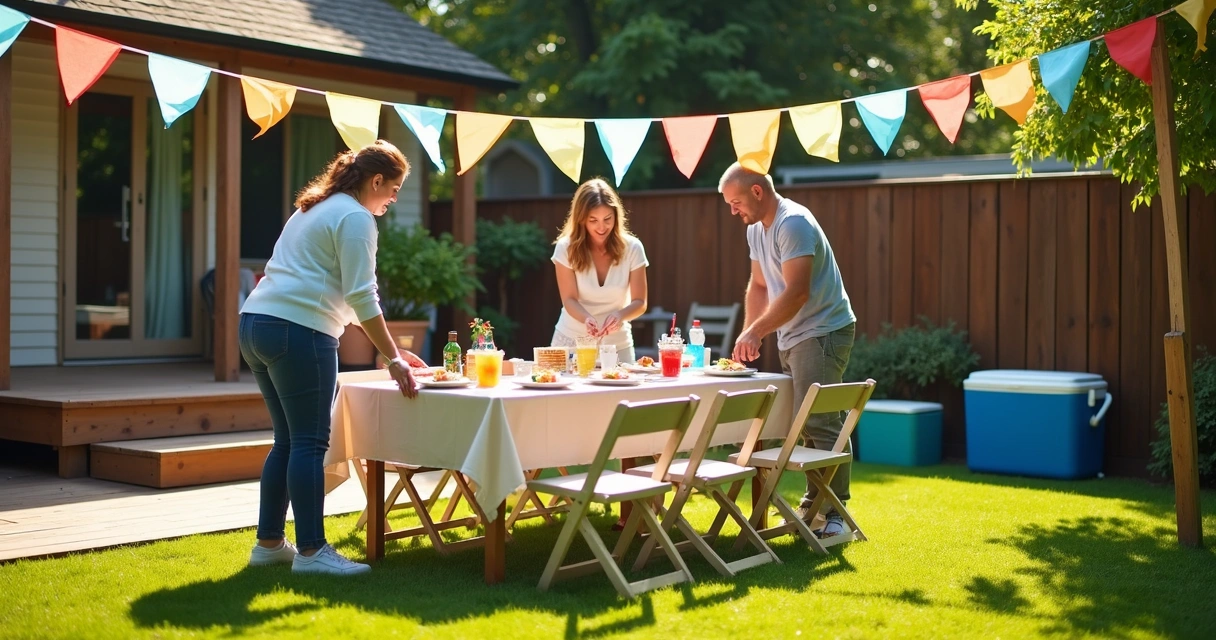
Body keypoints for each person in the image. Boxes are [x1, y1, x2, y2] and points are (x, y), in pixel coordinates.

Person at [239, 140, 427, 575]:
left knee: (286, 441)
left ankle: (268, 544)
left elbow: (340, 294)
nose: (394, 200)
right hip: (298, 332)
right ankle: (311, 553)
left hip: (256, 324)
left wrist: (391, 351)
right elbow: (362, 294)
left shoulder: (315, 207)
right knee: (308, 443)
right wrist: (394, 359)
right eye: (393, 189)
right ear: (375, 181)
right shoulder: (356, 217)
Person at [719, 162, 857, 538]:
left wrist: (758, 331)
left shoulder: (792, 223)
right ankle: (814, 508)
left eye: (736, 202)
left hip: (823, 331)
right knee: (805, 427)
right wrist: (750, 332)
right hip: (794, 334)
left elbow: (798, 292)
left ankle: (836, 515)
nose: (734, 211)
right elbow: (760, 286)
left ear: (757, 191)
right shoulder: (756, 231)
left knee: (821, 422)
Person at [550, 178, 649, 364]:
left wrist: (620, 316)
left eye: (607, 219)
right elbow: (569, 299)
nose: (602, 227)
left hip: (618, 345)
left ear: (616, 216)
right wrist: (587, 318)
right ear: (581, 220)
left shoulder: (633, 248)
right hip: (572, 341)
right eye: (593, 220)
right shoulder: (565, 248)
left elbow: (640, 302)